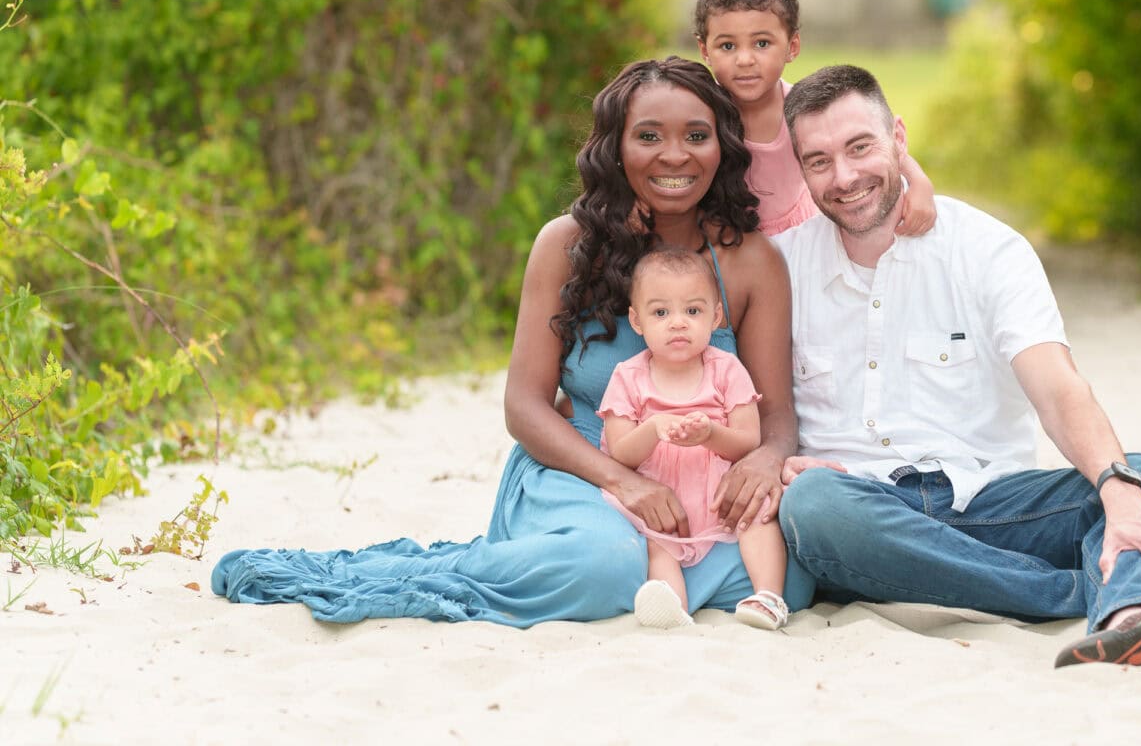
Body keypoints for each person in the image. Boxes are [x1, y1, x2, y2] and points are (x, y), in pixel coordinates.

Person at [212, 57, 813, 625]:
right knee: (604, 564)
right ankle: (548, 566)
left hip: (700, 480)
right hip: (578, 467)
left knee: (794, 579)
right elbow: (524, 406)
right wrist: (621, 479)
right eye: (649, 136)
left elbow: (777, 416)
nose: (674, 155)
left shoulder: (751, 260)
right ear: (617, 147)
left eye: (697, 136)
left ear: (722, 146)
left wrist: (761, 461)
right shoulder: (565, 245)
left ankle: (652, 577)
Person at [770, 64, 1141, 669]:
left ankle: (1127, 613)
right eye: (819, 161)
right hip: (867, 518)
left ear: (899, 137)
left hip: (993, 506)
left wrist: (1119, 492)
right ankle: (1107, 595)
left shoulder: (987, 250)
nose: (844, 177)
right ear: (800, 169)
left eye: (859, 147)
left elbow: (1058, 390)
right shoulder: (780, 270)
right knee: (813, 505)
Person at [599, 245, 790, 630]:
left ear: (715, 316)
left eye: (693, 311)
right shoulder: (628, 377)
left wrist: (710, 434)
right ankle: (673, 611)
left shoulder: (726, 369)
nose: (677, 323)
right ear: (637, 321)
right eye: (660, 312)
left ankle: (769, 596)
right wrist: (652, 430)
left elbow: (748, 439)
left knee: (757, 518)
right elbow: (620, 453)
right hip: (664, 504)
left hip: (721, 498)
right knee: (659, 546)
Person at [692, 0, 937, 237]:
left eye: (761, 43)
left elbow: (874, 143)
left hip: (805, 237)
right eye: (728, 46)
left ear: (792, 46)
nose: (745, 59)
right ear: (704, 50)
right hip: (732, 240)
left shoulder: (807, 109)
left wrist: (919, 183)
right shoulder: (700, 113)